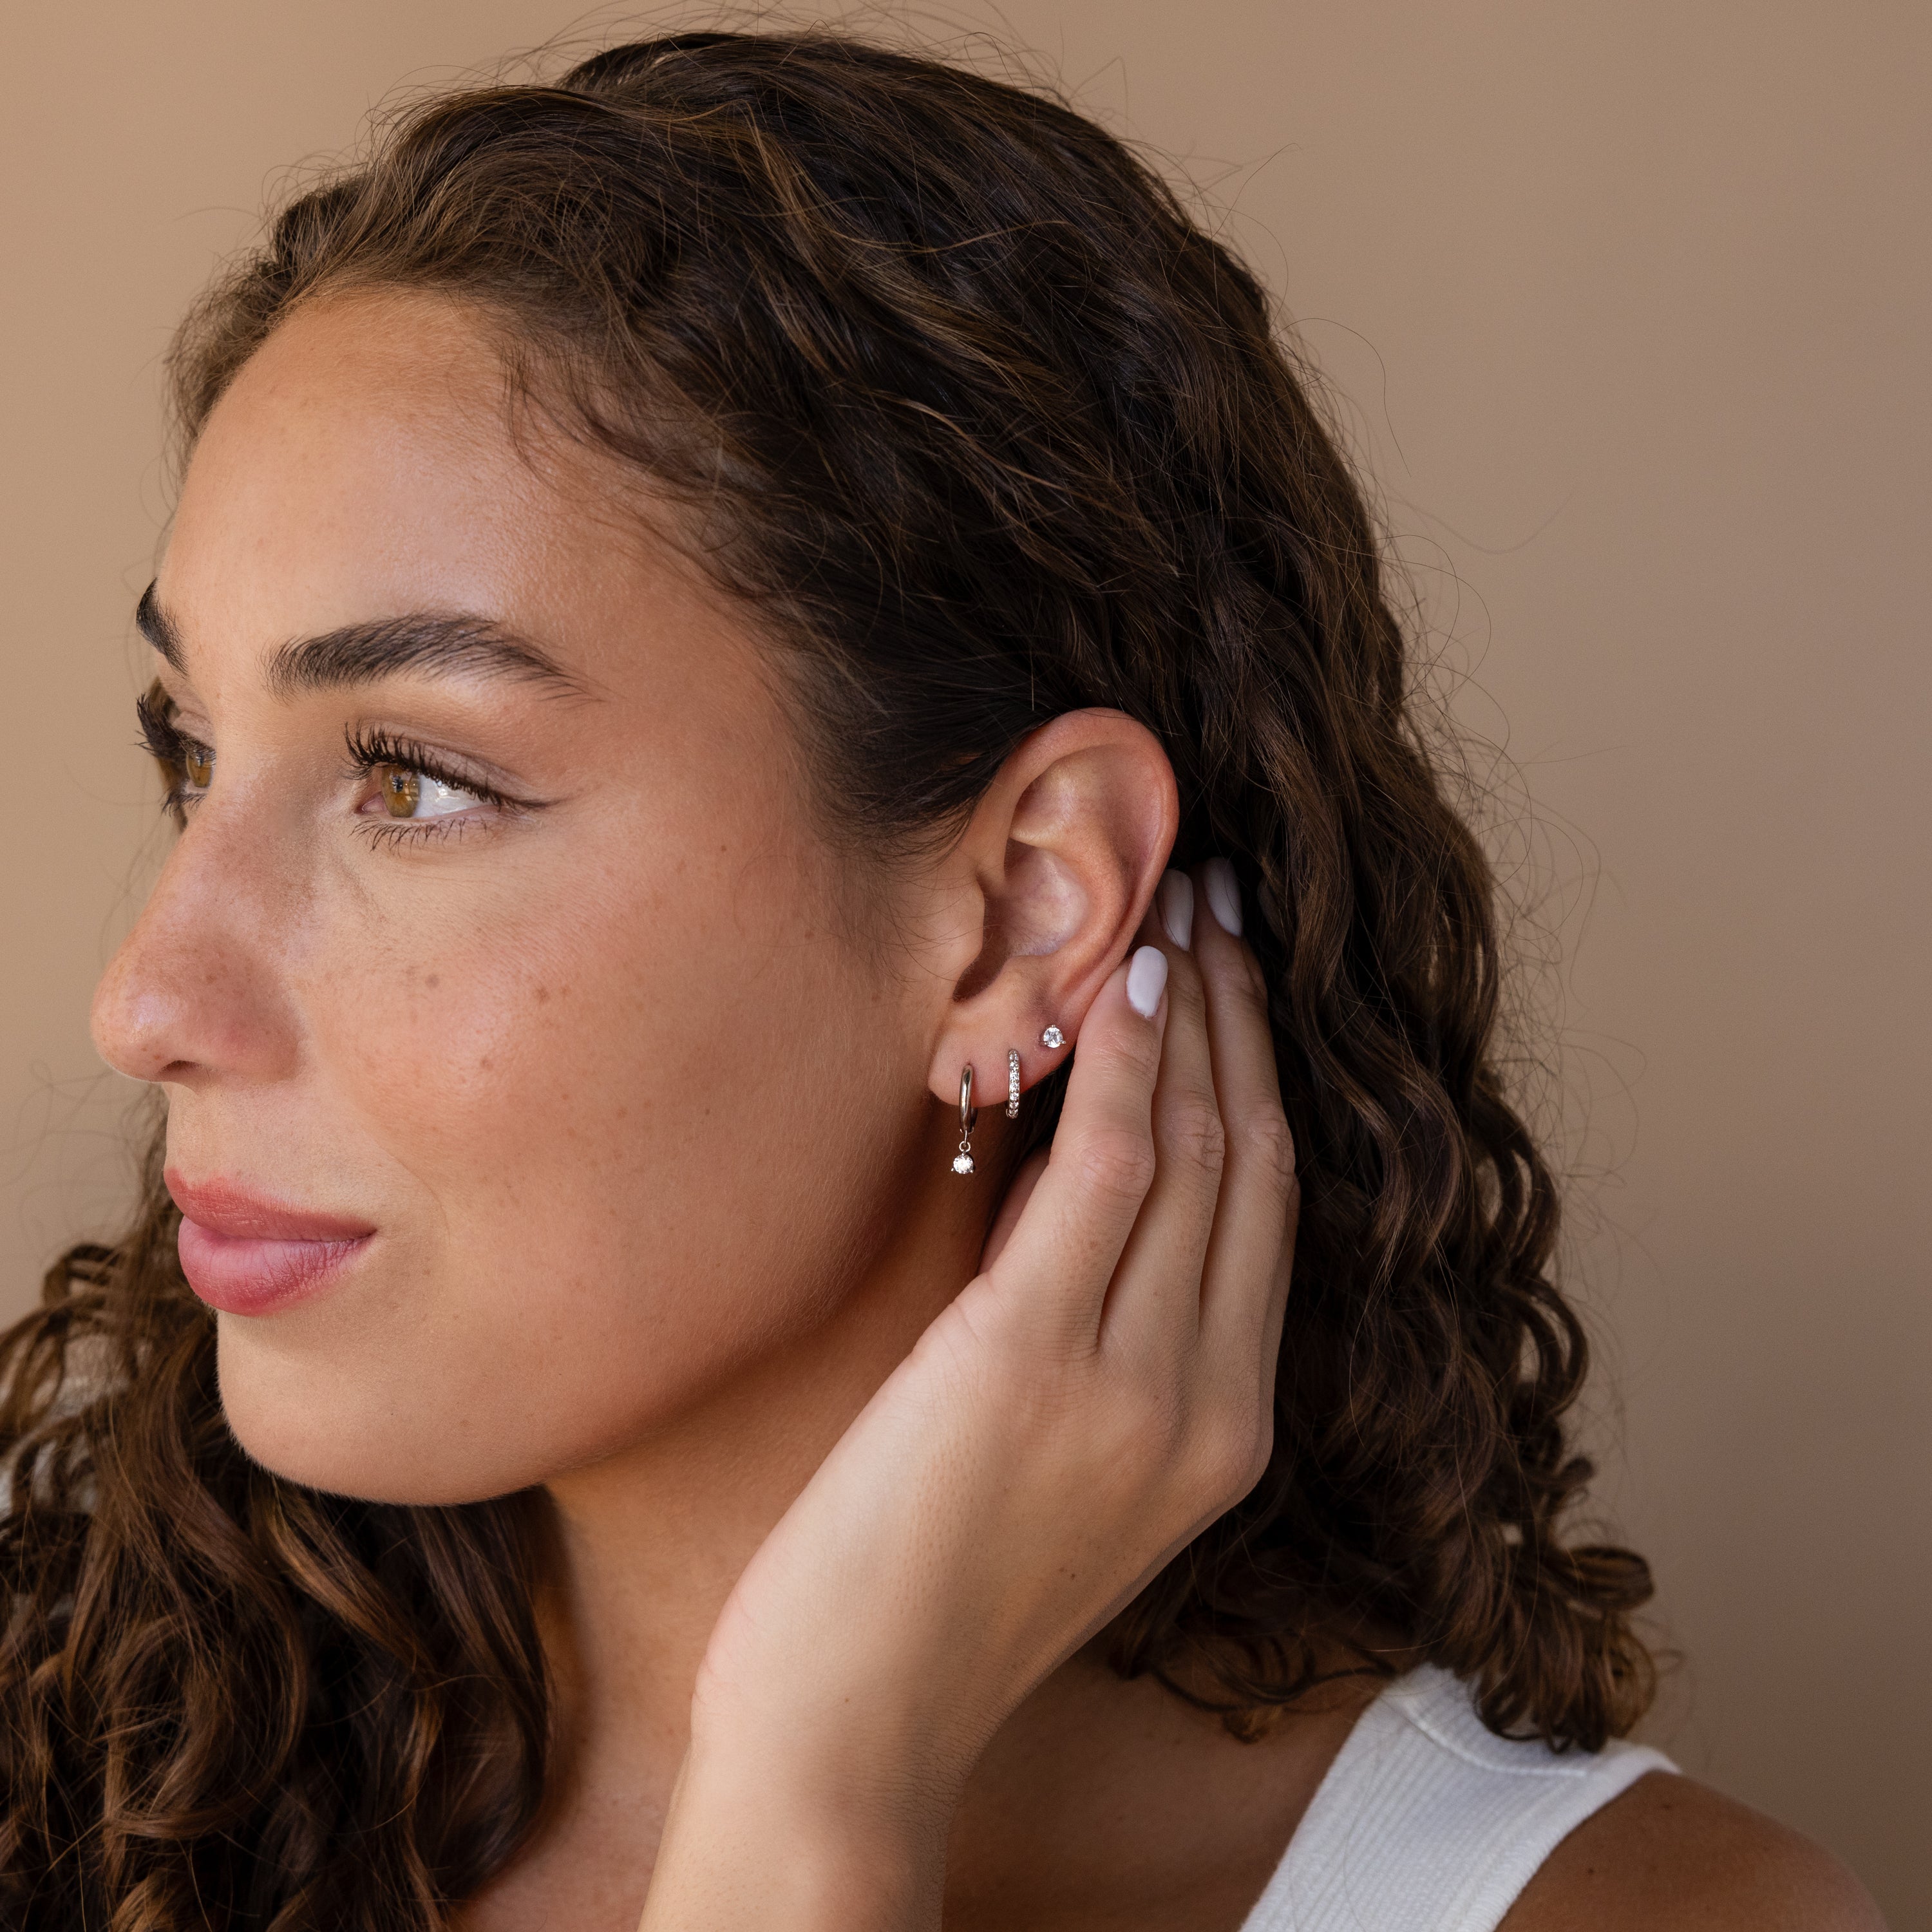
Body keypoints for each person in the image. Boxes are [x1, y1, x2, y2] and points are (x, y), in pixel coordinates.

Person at [0, 30, 1882, 1932]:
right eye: (192, 754)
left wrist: (820, 1795)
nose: (149, 998)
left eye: (413, 779)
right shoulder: (62, 1776)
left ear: (1021, 916)